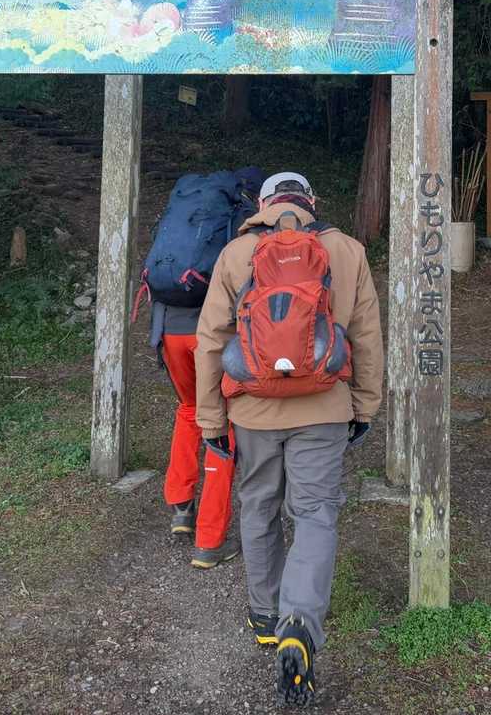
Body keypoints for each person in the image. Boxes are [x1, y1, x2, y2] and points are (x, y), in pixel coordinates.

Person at [195, 171, 382, 707]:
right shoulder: (347, 251)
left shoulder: (236, 254)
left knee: (258, 504)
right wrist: (364, 405)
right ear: (311, 201)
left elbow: (211, 341)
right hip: (324, 407)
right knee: (316, 512)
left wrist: (211, 421)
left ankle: (265, 615)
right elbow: (366, 336)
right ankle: (300, 620)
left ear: (262, 204)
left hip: (253, 410)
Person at [153, 300, 239, 568]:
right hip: (210, 334)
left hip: (170, 330)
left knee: (189, 408)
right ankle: (210, 540)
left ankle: (181, 506)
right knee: (222, 422)